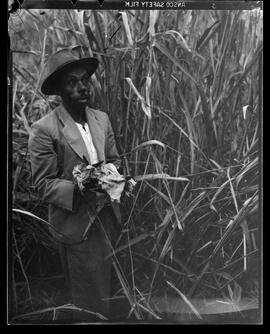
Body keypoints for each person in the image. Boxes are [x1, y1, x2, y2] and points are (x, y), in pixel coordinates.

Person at [28, 49, 122, 321]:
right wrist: (80, 185)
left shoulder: (100, 118)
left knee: (111, 295)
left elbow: (114, 160)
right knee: (88, 305)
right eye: (71, 82)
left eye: (84, 80)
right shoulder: (45, 129)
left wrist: (113, 177)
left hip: (108, 220)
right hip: (77, 226)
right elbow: (43, 184)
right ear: (59, 89)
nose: (82, 87)